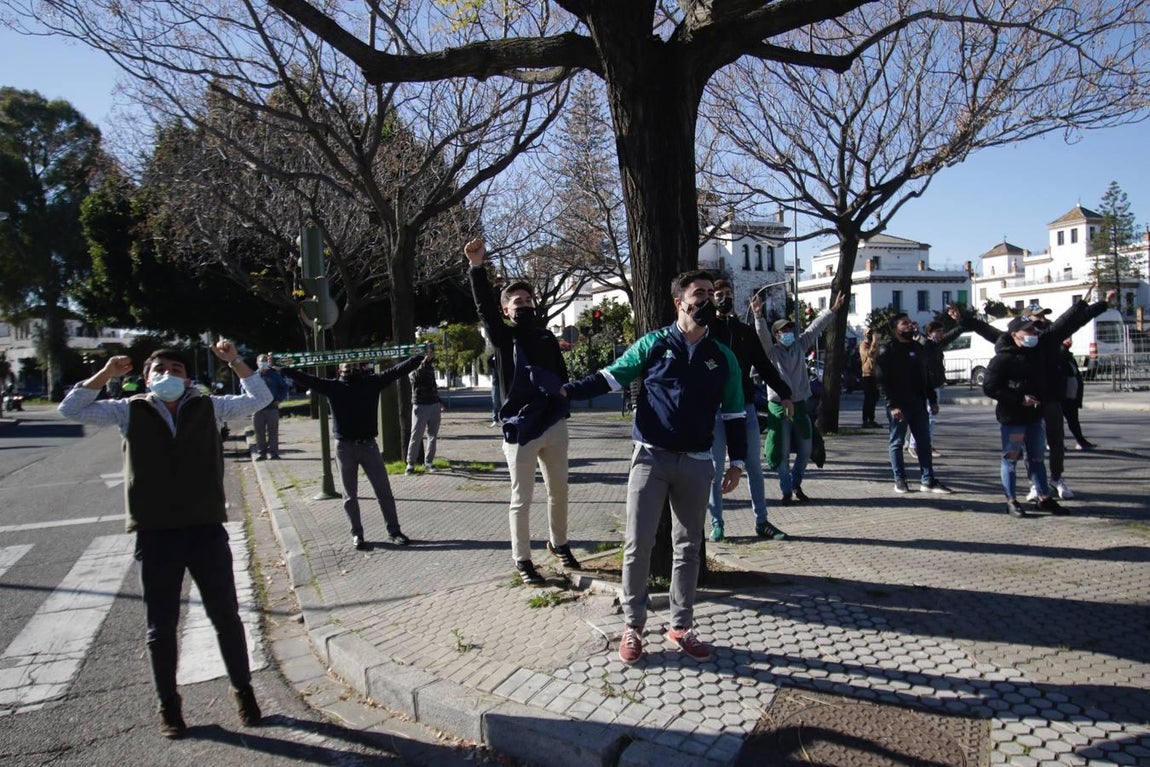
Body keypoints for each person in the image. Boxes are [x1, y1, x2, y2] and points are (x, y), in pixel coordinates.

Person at [58, 344, 271, 739]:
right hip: (155, 533)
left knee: (226, 617)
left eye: (176, 368)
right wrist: (105, 374)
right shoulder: (128, 409)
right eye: (159, 368)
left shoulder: (210, 406)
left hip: (206, 528)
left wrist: (235, 362)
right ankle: (169, 708)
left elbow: (260, 398)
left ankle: (245, 694)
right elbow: (70, 410)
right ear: (146, 376)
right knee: (161, 627)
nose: (168, 374)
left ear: (188, 378)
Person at [562, 269, 746, 665]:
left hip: (698, 463)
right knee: (637, 545)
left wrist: (739, 462)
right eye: (699, 294)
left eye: (711, 294)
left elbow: (734, 414)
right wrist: (566, 392)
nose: (708, 301)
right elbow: (611, 378)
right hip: (650, 458)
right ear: (680, 302)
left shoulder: (723, 356)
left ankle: (681, 625)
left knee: (688, 548)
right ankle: (633, 625)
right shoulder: (654, 344)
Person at [466, 237, 579, 586]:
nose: (525, 305)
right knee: (522, 497)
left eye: (529, 300)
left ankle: (559, 543)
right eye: (517, 302)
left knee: (559, 490)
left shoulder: (546, 337)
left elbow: (562, 376)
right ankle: (522, 559)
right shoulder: (504, 337)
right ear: (506, 310)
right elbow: (485, 307)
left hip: (553, 424)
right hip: (520, 428)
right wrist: (476, 268)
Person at [956, 288, 1115, 499]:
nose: (1040, 321)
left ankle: (1056, 478)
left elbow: (1073, 321)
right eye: (1036, 317)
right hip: (1025, 401)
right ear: (1023, 322)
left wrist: (1099, 304)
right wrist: (966, 319)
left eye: (1043, 316)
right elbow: (986, 330)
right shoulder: (1011, 341)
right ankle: (1035, 484)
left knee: (1056, 441)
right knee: (1029, 448)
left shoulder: (1048, 337)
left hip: (1050, 396)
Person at [280, 355, 423, 551]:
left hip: (369, 446)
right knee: (349, 495)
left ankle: (394, 531)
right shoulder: (332, 387)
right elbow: (306, 379)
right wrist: (283, 369)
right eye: (348, 366)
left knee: (383, 491)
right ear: (340, 370)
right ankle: (357, 534)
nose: (352, 369)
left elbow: (397, 371)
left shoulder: (372, 383)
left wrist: (420, 356)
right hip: (344, 447)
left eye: (355, 365)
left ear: (362, 367)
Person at [705, 282, 793, 542]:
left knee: (753, 465)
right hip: (716, 409)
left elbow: (764, 366)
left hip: (744, 407)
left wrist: (785, 393)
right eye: (719, 296)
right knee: (715, 465)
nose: (724, 300)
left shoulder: (744, 332)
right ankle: (717, 523)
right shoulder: (707, 331)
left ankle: (762, 521)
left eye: (729, 295)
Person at [755, 292, 845, 504]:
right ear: (776, 335)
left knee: (806, 449)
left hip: (800, 405)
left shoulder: (800, 346)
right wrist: (758, 316)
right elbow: (762, 337)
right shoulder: (772, 352)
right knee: (783, 450)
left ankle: (796, 483)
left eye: (789, 329)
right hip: (778, 406)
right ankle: (786, 489)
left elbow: (815, 328)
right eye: (782, 330)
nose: (787, 332)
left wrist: (831, 311)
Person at [982, 317, 1066, 517]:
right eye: (1028, 331)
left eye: (1034, 331)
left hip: (1034, 417)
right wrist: (1019, 398)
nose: (1033, 335)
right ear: (1015, 335)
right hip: (1013, 419)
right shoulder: (1003, 358)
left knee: (1037, 458)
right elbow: (990, 387)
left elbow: (1062, 326)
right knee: (1010, 459)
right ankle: (1011, 500)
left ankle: (1044, 498)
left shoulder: (1034, 355)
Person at [875, 313, 953, 495]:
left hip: (918, 402)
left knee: (924, 442)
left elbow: (924, 376)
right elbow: (881, 380)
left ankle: (928, 480)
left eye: (910, 323)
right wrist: (891, 405)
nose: (910, 326)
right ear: (895, 329)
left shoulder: (918, 348)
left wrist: (932, 399)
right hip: (899, 405)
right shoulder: (887, 349)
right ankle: (900, 479)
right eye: (905, 324)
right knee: (897, 442)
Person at [906, 320, 968, 458]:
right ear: (930, 332)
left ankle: (922, 443)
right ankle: (915, 445)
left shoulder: (937, 345)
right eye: (938, 331)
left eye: (941, 331)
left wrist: (964, 324)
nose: (941, 334)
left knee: (929, 417)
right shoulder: (925, 344)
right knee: (927, 417)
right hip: (925, 385)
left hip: (935, 384)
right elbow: (919, 341)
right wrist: (915, 331)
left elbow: (952, 335)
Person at [406, 347, 446, 474]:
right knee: (416, 435)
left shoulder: (430, 367)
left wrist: (439, 401)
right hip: (420, 405)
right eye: (428, 353)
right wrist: (424, 362)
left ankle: (429, 462)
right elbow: (415, 379)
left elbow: (432, 386)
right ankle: (410, 464)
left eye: (431, 352)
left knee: (432, 436)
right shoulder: (413, 367)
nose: (431, 355)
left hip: (433, 404)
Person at [252, 353, 290, 460]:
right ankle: (261, 453)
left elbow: (284, 387)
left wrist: (279, 399)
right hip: (257, 409)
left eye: (265, 360)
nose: (263, 363)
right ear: (257, 362)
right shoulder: (253, 376)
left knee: (273, 431)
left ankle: (273, 453)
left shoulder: (274, 375)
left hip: (272, 408)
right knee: (259, 432)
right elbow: (244, 387)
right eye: (261, 361)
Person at [1060, 339, 1094, 450]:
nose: (1069, 341)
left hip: (1071, 393)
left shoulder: (1068, 356)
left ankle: (1080, 440)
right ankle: (1057, 442)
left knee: (1073, 419)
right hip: (1063, 393)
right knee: (1059, 420)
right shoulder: (1060, 354)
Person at [858, 329, 881, 428]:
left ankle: (872, 419)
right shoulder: (863, 345)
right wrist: (874, 343)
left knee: (875, 397)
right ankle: (865, 419)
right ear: (864, 334)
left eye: (871, 333)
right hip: (867, 374)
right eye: (868, 333)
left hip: (875, 373)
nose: (870, 335)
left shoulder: (874, 344)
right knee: (868, 397)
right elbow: (869, 354)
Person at [488, 352, 501, 427]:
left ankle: (503, 418)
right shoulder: (494, 364)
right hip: (496, 384)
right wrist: (495, 353)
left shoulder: (504, 363)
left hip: (504, 384)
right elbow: (488, 360)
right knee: (495, 402)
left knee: (505, 402)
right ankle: (495, 419)